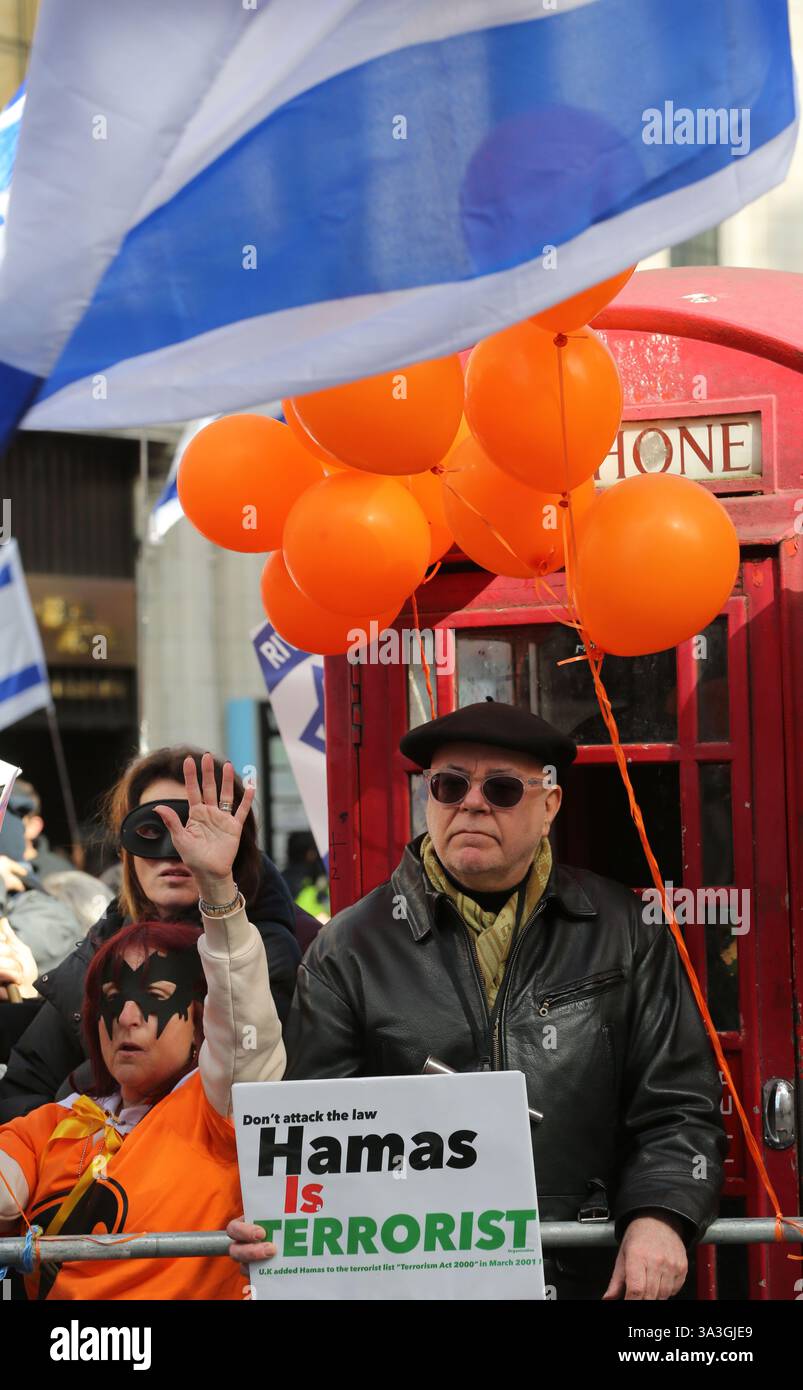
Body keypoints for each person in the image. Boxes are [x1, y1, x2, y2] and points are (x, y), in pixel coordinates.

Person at [229, 700, 727, 1301]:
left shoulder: (623, 927)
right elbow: (311, 1135)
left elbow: (678, 1104)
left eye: (501, 788)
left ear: (550, 807)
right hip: (417, 1279)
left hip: (585, 1272)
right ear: (428, 799)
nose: (471, 803)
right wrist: (278, 1221)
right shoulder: (350, 947)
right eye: (449, 784)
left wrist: (662, 1212)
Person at [0, 753, 284, 1299]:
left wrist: (218, 891)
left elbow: (246, 1045)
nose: (128, 1016)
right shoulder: (53, 1123)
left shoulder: (215, 1106)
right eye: (151, 827)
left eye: (155, 997)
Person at [0, 745, 300, 1122]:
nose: (175, 852)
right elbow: (27, 1083)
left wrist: (218, 890)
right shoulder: (106, 943)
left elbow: (242, 1094)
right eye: (149, 830)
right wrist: (53, 1156)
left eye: (198, 828)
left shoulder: (262, 954)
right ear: (126, 849)